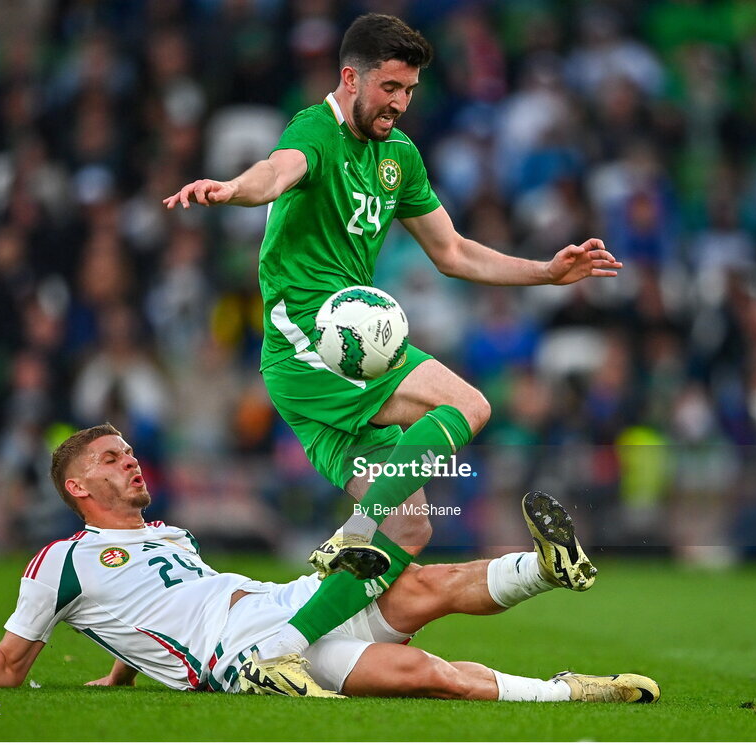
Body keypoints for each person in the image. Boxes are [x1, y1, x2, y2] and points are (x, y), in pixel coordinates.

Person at [163, 13, 619, 686]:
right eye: (391, 87)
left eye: (410, 90)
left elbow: (454, 251)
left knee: (408, 533)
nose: (400, 103)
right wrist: (233, 191)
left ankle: (278, 650)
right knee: (469, 405)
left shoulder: (398, 156)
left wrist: (545, 273)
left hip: (346, 353)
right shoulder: (313, 130)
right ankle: (352, 532)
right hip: (313, 341)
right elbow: (275, 170)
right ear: (351, 78)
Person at [0, 424, 659, 703]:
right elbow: (8, 668)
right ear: (78, 486)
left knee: (420, 584)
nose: (131, 463)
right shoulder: (56, 560)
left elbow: (146, 615)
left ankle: (543, 570)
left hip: (276, 605)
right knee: (425, 660)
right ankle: (568, 691)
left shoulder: (170, 535)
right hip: (246, 650)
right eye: (112, 458)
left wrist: (121, 668)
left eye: (132, 453)